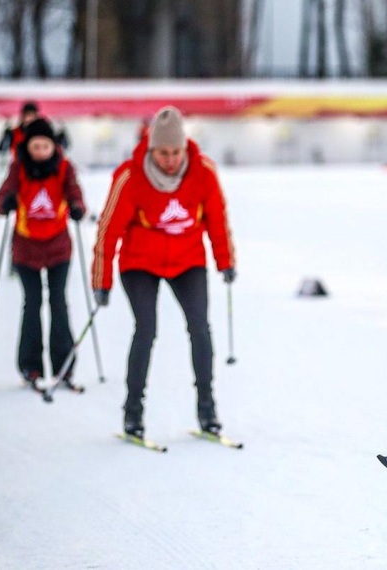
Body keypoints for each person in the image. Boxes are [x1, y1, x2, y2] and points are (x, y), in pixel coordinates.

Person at [91, 106, 236, 439]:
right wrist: (102, 280)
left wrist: (225, 260)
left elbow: (216, 219)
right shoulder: (130, 176)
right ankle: (133, 413)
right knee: (146, 330)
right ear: (151, 148)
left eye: (175, 152)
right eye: (162, 152)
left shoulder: (203, 172)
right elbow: (108, 230)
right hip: (140, 262)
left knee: (199, 326)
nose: (170, 159)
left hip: (188, 260)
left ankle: (207, 410)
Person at [0, 118, 86, 390]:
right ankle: (31, 366)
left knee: (59, 302)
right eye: (36, 146)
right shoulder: (18, 168)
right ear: (28, 146)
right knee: (32, 303)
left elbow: (74, 192)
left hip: (58, 248)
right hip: (26, 249)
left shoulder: (64, 168)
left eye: (46, 145)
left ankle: (64, 365)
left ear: (53, 146)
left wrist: (77, 206)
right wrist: (5, 203)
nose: (41, 151)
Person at [0, 102, 68, 161]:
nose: (28, 118)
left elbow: (64, 145)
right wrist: (6, 137)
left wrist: (62, 136)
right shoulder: (14, 133)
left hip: (43, 167)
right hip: (21, 168)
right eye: (26, 115)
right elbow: (2, 149)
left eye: (31, 115)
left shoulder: (44, 132)